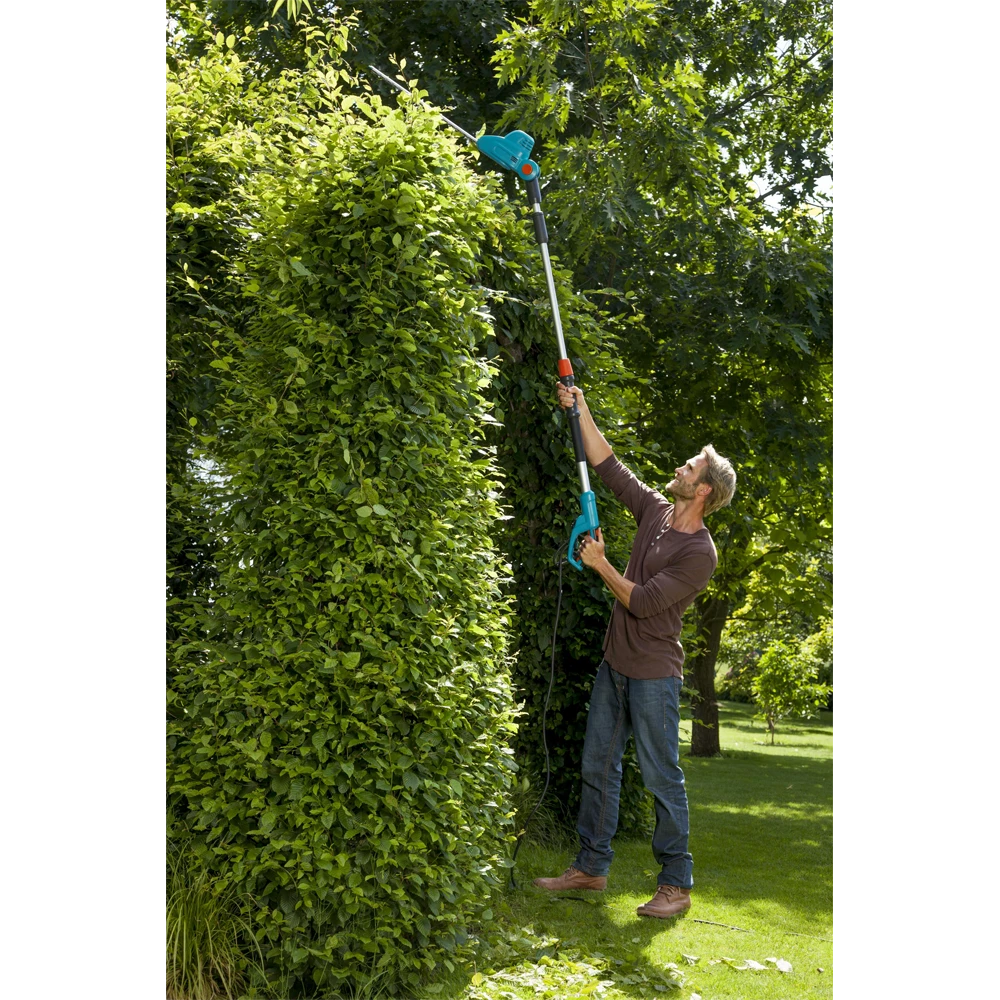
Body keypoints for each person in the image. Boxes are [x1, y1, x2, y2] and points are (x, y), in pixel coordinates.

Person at [532, 382, 737, 919]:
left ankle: (675, 884)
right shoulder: (657, 511)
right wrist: (581, 409)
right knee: (598, 768)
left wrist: (600, 564)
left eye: (690, 467)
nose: (681, 468)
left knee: (661, 777)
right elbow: (608, 466)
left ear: (703, 490)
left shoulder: (700, 553)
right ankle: (591, 867)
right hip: (615, 664)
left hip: (653, 676)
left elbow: (644, 603)